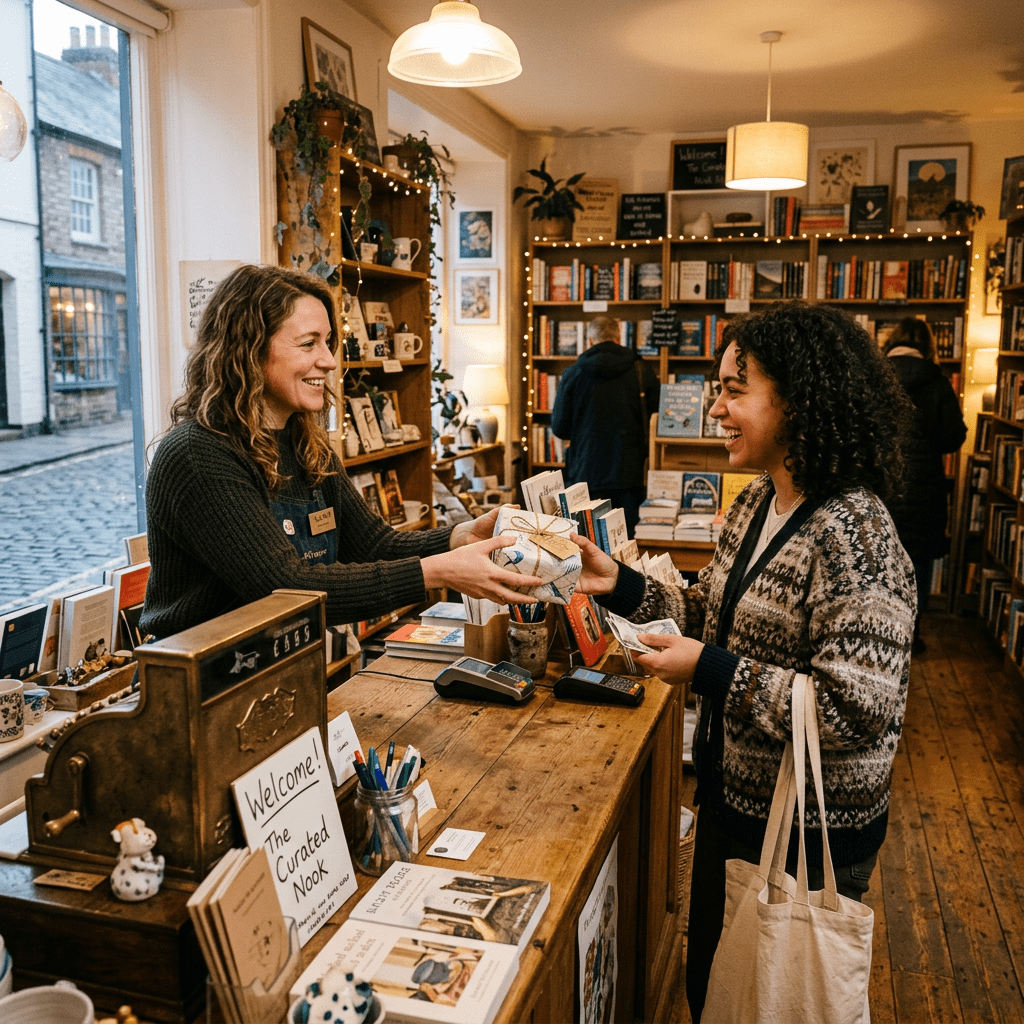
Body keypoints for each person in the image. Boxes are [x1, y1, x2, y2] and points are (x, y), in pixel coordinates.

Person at [573, 302, 917, 1023]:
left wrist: (710, 670)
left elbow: (854, 710)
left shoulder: (856, 532)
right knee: (718, 995)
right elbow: (711, 616)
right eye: (717, 388)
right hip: (737, 811)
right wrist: (623, 583)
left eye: (735, 390)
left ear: (796, 400)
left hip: (808, 838)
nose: (716, 409)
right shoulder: (758, 502)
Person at [140, 264, 541, 640]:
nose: (329, 361)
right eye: (308, 343)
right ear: (249, 350)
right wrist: (438, 572)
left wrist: (459, 537)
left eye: (328, 341)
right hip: (198, 686)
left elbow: (373, 546)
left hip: (280, 672)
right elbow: (286, 589)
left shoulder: (306, 445)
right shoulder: (197, 454)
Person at [883, 317, 967, 653]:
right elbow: (953, 436)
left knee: (879, 557)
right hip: (925, 488)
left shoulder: (875, 377)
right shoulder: (938, 381)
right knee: (915, 562)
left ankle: (877, 632)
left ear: (892, 341)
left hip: (882, 482)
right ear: (928, 347)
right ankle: (909, 637)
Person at [550, 315, 660, 535]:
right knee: (626, 541)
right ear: (618, 337)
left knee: (586, 544)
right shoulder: (641, 370)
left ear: (590, 340)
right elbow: (657, 419)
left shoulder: (573, 374)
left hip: (585, 475)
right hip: (628, 473)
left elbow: (560, 428)